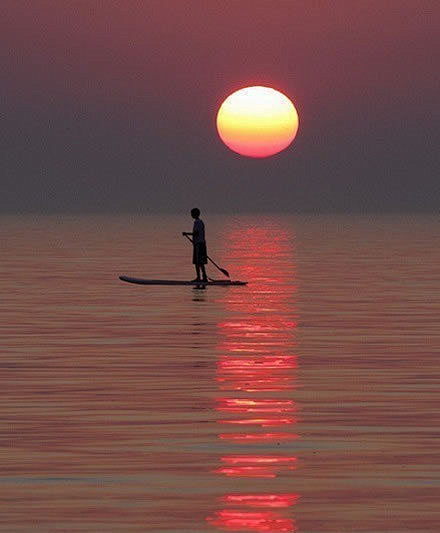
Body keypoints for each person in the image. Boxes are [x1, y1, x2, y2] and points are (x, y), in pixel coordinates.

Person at [182, 208, 208, 282]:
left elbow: (196, 233)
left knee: (197, 262)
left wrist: (186, 233)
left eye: (192, 213)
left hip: (199, 245)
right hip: (201, 244)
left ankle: (199, 278)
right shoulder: (201, 222)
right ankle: (204, 277)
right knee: (201, 262)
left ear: (195, 214)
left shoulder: (197, 222)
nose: (191, 215)